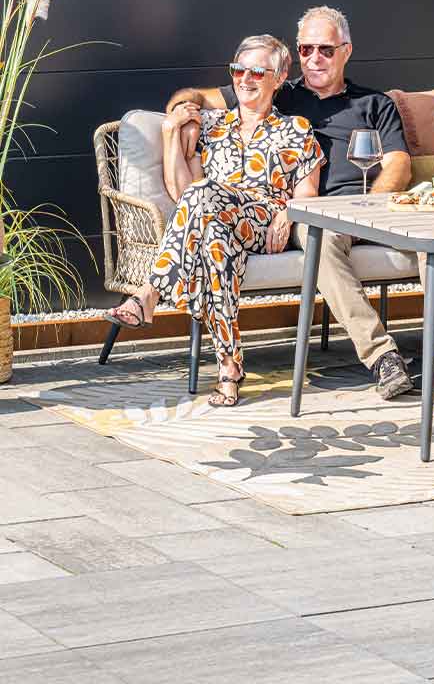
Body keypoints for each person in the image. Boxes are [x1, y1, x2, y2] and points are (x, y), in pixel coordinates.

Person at [167, 5, 434, 399]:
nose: (314, 59)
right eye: (306, 50)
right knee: (318, 240)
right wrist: (183, 113)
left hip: (375, 205)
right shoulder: (281, 93)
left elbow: (398, 165)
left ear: (346, 51)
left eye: (325, 49)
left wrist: (369, 209)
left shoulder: (374, 103)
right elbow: (198, 95)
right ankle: (383, 357)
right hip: (316, 212)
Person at [105, 35, 323, 408]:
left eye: (257, 72)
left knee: (205, 194)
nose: (245, 79)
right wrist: (171, 134)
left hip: (264, 221)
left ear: (278, 79)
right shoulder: (211, 126)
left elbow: (308, 191)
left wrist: (287, 214)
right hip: (213, 220)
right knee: (214, 243)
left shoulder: (297, 129)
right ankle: (229, 367)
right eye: (238, 70)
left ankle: (150, 292)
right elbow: (183, 192)